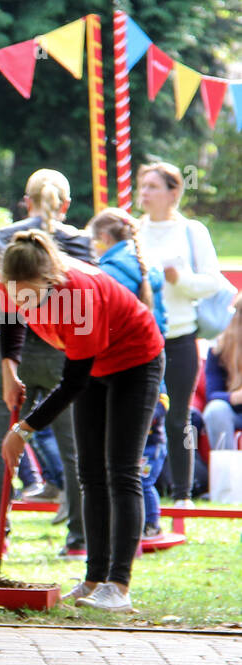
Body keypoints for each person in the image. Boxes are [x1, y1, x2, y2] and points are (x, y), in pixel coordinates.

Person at [0, 231, 165, 613]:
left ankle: (118, 587)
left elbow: (73, 382)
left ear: (50, 280)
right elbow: (10, 323)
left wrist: (23, 430)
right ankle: (94, 578)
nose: (23, 302)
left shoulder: (79, 293)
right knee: (89, 473)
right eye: (16, 294)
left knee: (120, 471)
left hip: (135, 361)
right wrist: (9, 370)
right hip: (94, 365)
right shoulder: (12, 283)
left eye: (31, 294)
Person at [0, 169, 92, 559]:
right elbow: (86, 305)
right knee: (74, 447)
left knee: (1, 441)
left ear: (25, 201)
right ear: (65, 204)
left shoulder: (1, 237)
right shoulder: (82, 241)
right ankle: (78, 540)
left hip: (14, 350)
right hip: (67, 351)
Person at [138, 162, 224, 508]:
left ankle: (184, 493)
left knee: (178, 418)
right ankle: (143, 489)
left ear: (174, 192)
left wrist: (180, 280)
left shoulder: (193, 232)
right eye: (142, 186)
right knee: (141, 416)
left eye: (153, 187)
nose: (144, 193)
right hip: (142, 339)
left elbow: (212, 282)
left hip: (181, 338)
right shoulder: (133, 229)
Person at [88, 207, 169, 538]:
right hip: (156, 379)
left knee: (124, 470)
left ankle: (137, 529)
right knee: (138, 466)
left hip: (124, 374)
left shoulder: (109, 272)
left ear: (105, 238)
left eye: (93, 242)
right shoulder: (147, 266)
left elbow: (103, 325)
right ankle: (149, 523)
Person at [203, 301, 242, 453]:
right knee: (215, 410)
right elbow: (212, 395)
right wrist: (235, 397)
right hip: (234, 412)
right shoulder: (219, 350)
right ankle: (227, 473)